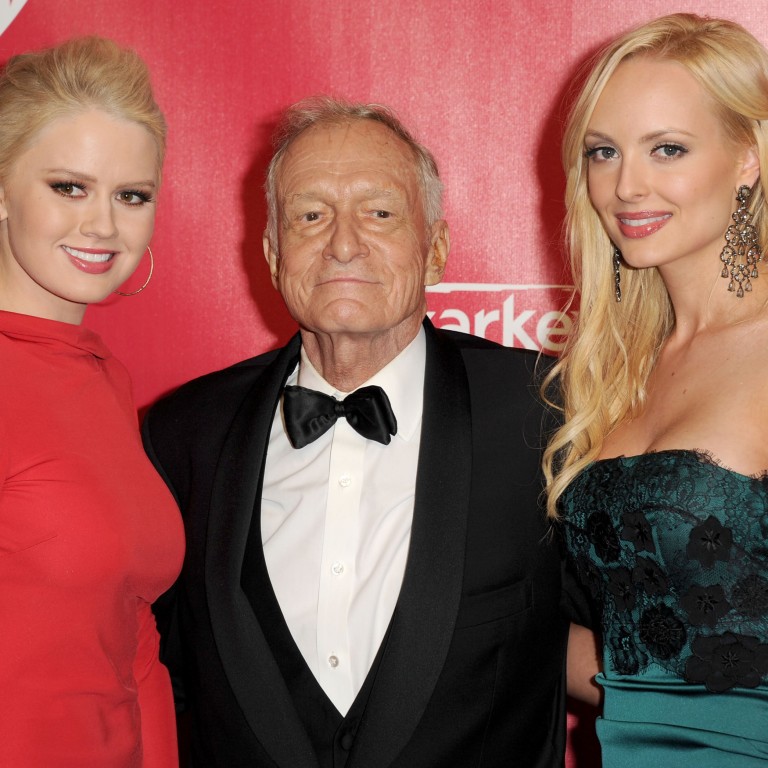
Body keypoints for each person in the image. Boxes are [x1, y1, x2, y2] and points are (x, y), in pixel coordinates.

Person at [143, 96, 572, 767]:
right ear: (272, 250)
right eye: (311, 215)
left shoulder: (544, 411)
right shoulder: (184, 435)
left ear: (434, 250)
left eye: (379, 213)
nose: (343, 242)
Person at [544, 12, 768, 766]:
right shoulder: (614, 371)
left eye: (666, 149)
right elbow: (633, 650)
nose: (625, 186)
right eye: (603, 152)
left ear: (747, 157)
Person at [0, 37, 184, 767]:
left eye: (130, 196)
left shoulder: (104, 378)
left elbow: (132, 645)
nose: (103, 225)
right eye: (68, 187)